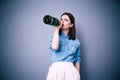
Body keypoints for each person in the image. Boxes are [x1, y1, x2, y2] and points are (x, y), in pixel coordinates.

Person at [46, 12, 81, 80]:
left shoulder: (76, 41)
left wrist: (78, 75)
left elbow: (77, 60)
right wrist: (56, 29)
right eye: (61, 19)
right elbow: (55, 47)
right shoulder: (53, 37)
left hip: (71, 71)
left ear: (71, 25)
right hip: (56, 71)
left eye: (66, 20)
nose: (62, 21)